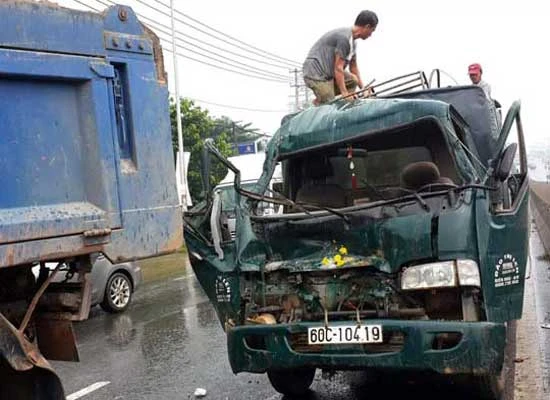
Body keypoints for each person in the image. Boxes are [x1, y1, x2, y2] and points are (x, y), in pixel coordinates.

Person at [303, 10, 378, 105]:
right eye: (372, 30)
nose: (371, 35)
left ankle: (338, 101)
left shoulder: (353, 42)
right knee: (329, 101)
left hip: (329, 74)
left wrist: (363, 89)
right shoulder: (344, 39)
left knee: (352, 80)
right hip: (315, 73)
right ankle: (322, 101)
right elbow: (338, 68)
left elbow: (353, 68)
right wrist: (345, 93)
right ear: (367, 26)